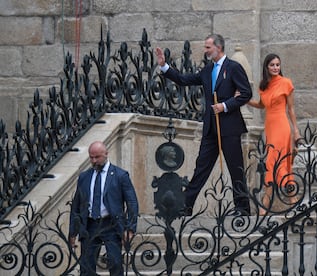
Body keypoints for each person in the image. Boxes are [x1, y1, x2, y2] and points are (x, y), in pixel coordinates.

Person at [155, 34, 252, 216]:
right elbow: (185, 80)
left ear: (218, 47)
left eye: (208, 47)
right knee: (201, 168)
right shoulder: (207, 70)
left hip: (230, 127)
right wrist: (164, 66)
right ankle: (186, 206)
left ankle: (242, 208)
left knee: (236, 168)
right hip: (210, 129)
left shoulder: (233, 68)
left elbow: (246, 93)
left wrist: (224, 106)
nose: (205, 51)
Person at [69, 141, 139, 275]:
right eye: (91, 157)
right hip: (89, 225)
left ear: (106, 154)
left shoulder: (120, 175)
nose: (94, 161)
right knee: (86, 266)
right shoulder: (84, 177)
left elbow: (132, 202)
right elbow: (76, 206)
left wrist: (130, 228)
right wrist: (73, 232)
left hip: (111, 225)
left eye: (97, 157)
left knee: (115, 263)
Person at [247, 53, 300, 215]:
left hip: (282, 127)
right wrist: (245, 100)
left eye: (278, 65)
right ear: (267, 67)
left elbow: (290, 110)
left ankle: (268, 202)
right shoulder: (264, 87)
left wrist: (296, 132)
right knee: (272, 162)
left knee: (278, 161)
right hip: (269, 127)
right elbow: (261, 105)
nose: (276, 68)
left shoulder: (286, 83)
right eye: (272, 65)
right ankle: (288, 199)